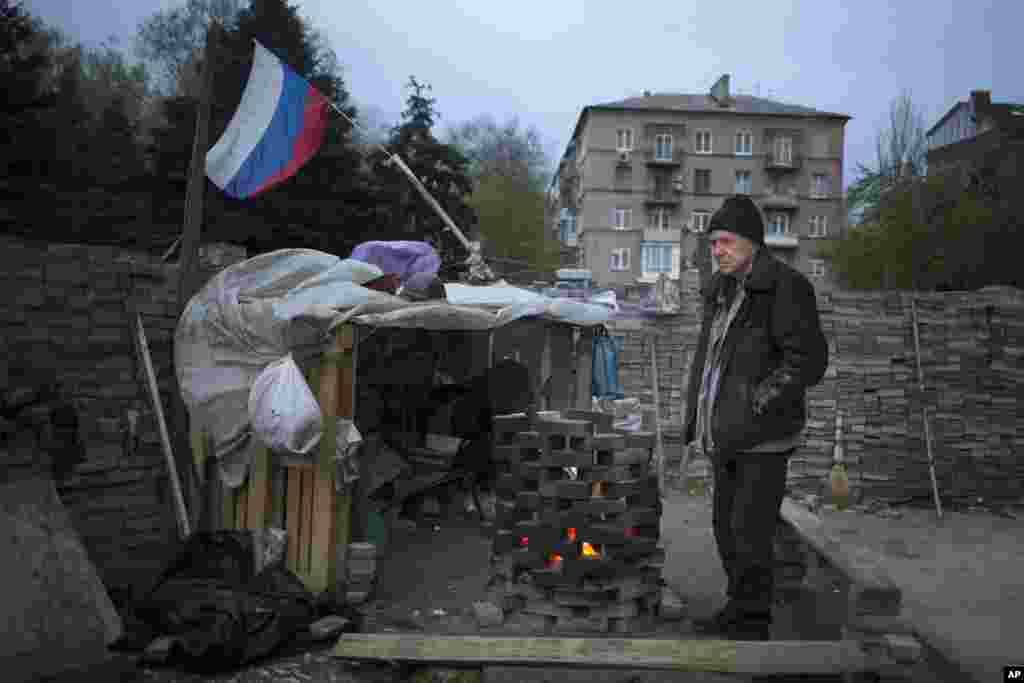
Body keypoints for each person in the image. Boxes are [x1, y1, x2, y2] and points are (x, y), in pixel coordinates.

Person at [683, 194, 829, 639]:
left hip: (762, 440)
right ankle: (739, 607)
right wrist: (696, 420)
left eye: (725, 242)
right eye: (713, 244)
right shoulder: (723, 291)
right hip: (725, 436)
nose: (717, 250)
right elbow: (708, 362)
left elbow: (808, 361)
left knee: (750, 531)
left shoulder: (785, 288)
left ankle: (753, 624)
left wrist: (755, 404)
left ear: (752, 243)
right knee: (725, 528)